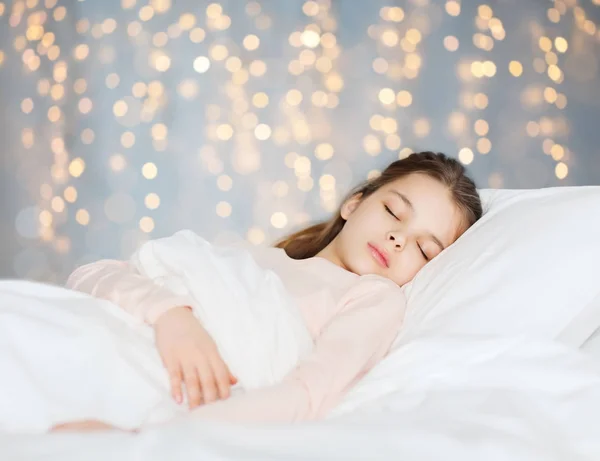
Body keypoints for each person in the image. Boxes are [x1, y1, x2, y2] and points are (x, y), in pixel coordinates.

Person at [53, 151, 482, 431]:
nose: (398, 239)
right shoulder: (250, 257)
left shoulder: (375, 298)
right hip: (109, 339)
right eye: (393, 211)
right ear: (354, 203)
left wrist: (140, 441)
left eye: (425, 249)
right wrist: (172, 316)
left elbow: (308, 397)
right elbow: (95, 275)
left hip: (158, 408)